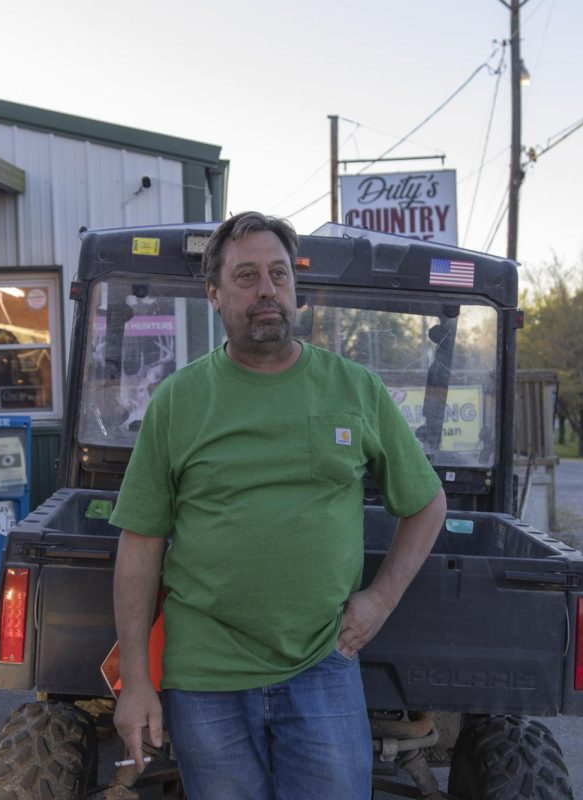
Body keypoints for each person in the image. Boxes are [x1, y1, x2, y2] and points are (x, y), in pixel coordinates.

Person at [109, 211, 447, 799]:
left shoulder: (354, 388)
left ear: (294, 287)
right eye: (245, 276)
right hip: (205, 677)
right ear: (213, 294)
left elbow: (425, 503)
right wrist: (137, 681)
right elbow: (140, 544)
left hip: (322, 664)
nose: (266, 289)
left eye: (278, 273)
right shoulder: (178, 400)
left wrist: (380, 602)